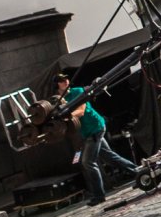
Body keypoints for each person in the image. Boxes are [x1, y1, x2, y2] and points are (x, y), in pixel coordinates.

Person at [56, 74, 140, 205]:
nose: (65, 81)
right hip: (88, 131)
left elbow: (81, 111)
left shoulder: (77, 91)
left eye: (66, 78)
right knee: (109, 157)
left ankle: (99, 195)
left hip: (95, 127)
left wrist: (63, 116)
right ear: (57, 85)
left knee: (87, 162)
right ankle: (138, 172)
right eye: (61, 81)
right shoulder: (60, 100)